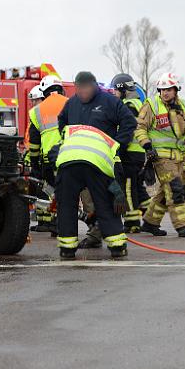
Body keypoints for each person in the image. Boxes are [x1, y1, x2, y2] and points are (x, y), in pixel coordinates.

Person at [57, 71, 136, 248]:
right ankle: (68, 247)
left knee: (107, 202)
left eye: (87, 88)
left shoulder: (109, 102)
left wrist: (116, 145)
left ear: (95, 86)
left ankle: (116, 245)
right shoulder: (71, 104)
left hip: (102, 162)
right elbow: (61, 123)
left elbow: (129, 122)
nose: (83, 92)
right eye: (80, 89)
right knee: (68, 203)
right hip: (74, 161)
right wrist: (68, 141)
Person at [135, 72, 185, 238]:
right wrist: (147, 146)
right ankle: (182, 225)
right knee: (175, 189)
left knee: (165, 192)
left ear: (176, 90)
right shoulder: (151, 105)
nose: (164, 93)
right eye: (162, 90)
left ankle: (150, 223)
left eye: (168, 89)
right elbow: (140, 128)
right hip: (160, 157)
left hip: (178, 157)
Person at [51, 124, 128, 259]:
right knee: (105, 203)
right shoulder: (110, 142)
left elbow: (52, 154)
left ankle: (66, 249)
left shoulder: (69, 132)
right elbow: (116, 171)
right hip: (96, 165)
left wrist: (59, 186)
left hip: (68, 163)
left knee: (66, 206)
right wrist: (118, 193)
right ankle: (118, 247)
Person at [28, 76, 69, 233]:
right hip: (70, 155)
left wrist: (34, 163)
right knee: (67, 190)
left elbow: (34, 142)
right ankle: (63, 223)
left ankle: (50, 223)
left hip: (48, 159)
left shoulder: (36, 111)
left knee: (49, 190)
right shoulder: (71, 103)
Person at [110, 73, 147, 233]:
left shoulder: (128, 105)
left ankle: (132, 223)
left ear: (122, 89)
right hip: (138, 153)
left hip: (130, 153)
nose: (114, 94)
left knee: (129, 189)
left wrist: (119, 147)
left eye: (115, 91)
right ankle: (150, 214)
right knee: (138, 188)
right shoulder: (138, 103)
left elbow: (128, 129)